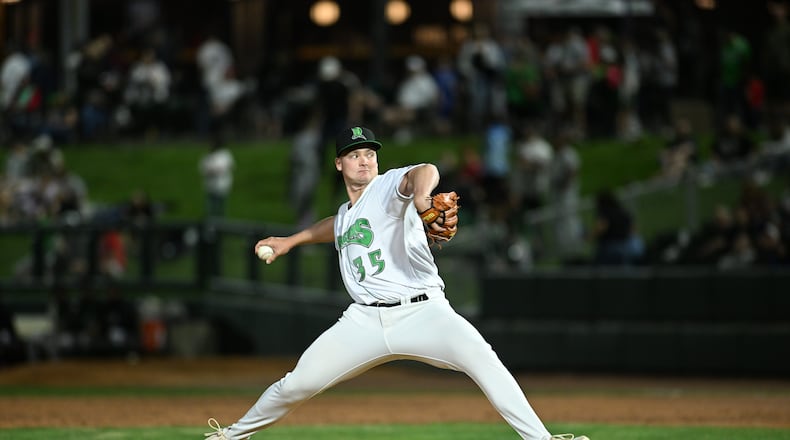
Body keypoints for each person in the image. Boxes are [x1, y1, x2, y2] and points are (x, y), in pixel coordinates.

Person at [204, 126, 589, 440]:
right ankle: (232, 436)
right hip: (363, 322)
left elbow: (425, 170)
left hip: (423, 311)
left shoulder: (389, 186)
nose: (364, 160)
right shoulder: (347, 212)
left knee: (484, 360)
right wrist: (291, 241)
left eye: (369, 153)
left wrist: (422, 198)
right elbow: (336, 226)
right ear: (339, 164)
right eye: (355, 155)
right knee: (295, 385)